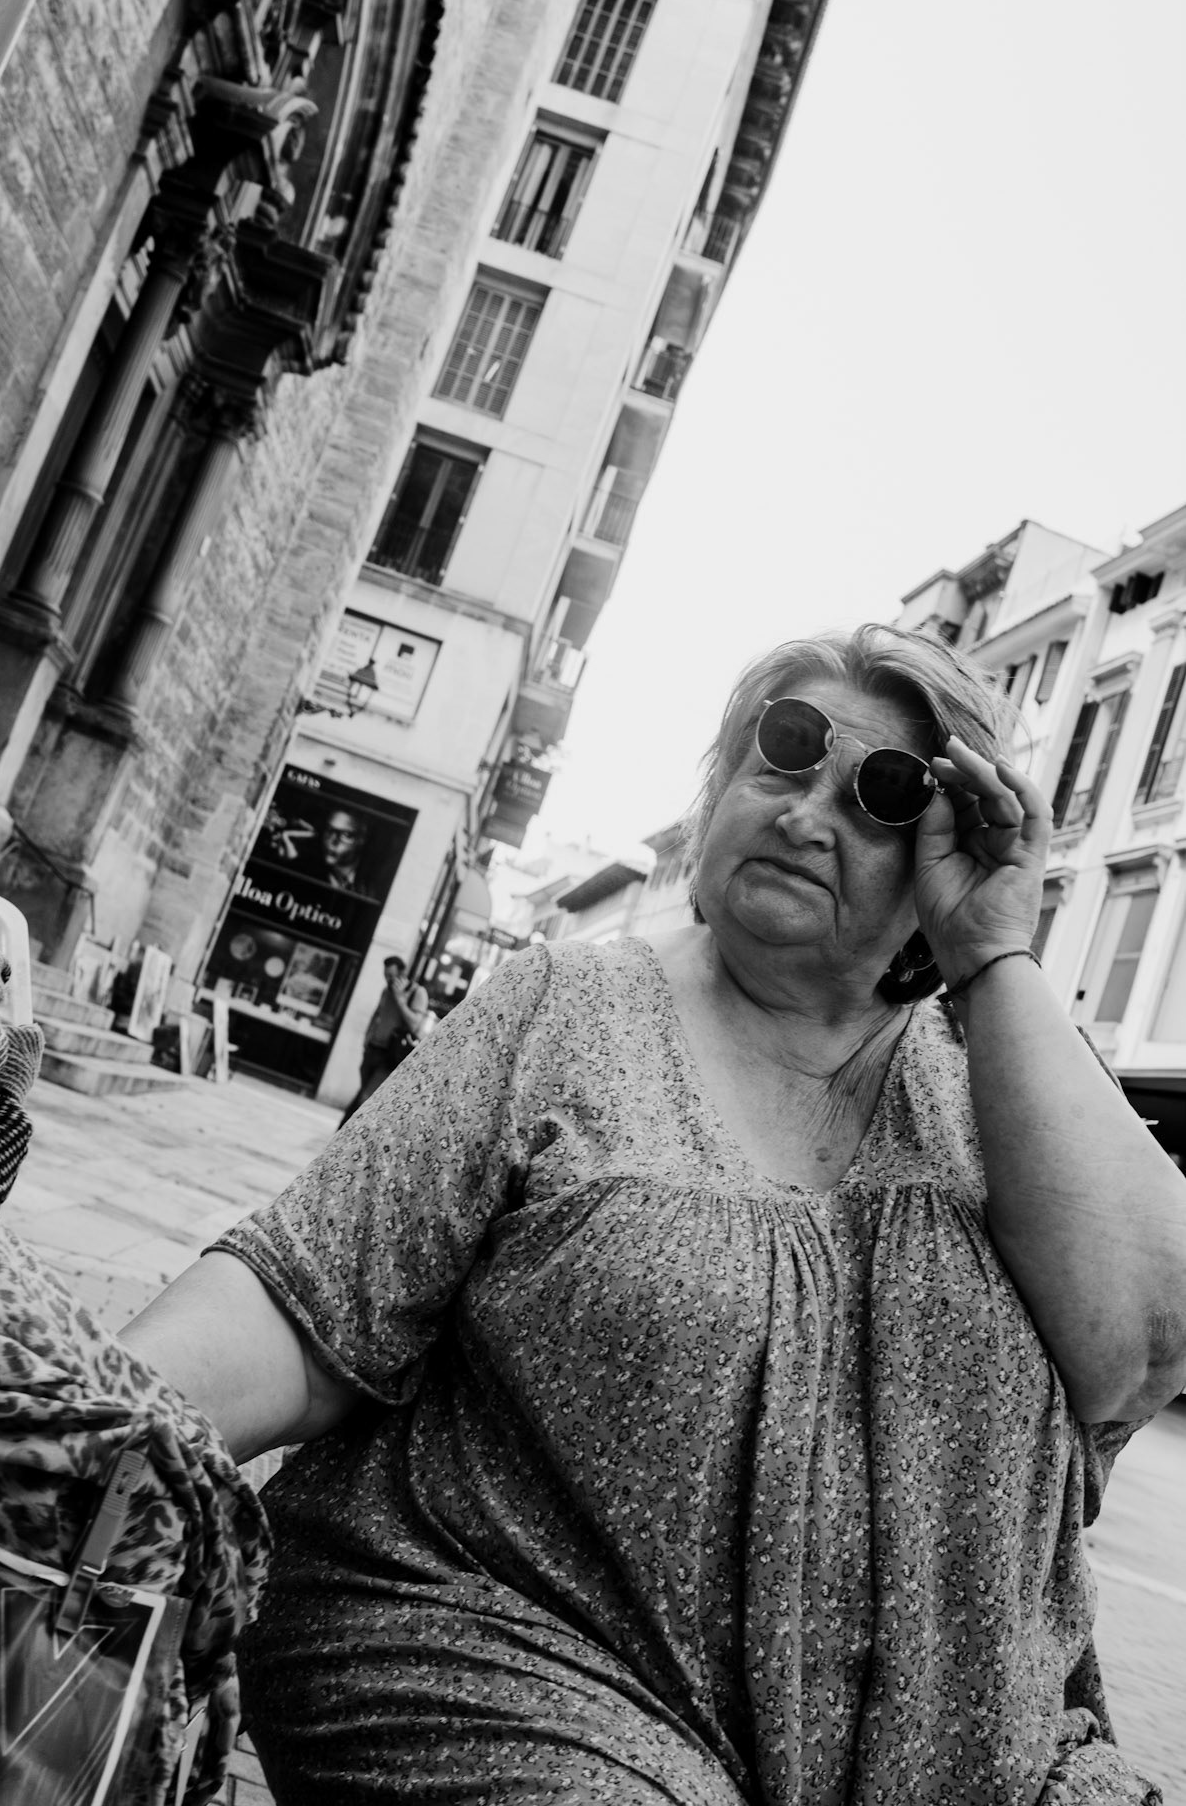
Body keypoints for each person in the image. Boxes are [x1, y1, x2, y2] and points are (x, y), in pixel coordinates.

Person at [121, 624, 1186, 1804]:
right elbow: (310, 1297)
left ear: (949, 850)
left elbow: (1141, 1352)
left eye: (884, 795)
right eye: (785, 752)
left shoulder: (1009, 1081)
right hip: (508, 1663)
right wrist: (85, 1415)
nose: (806, 810)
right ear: (721, 781)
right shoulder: (568, 1004)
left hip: (964, 1753)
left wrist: (993, 951)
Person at [337, 955, 430, 1123]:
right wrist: (367, 1037)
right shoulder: (386, 991)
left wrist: (401, 999)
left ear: (403, 973)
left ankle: (346, 1132)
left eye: (391, 975)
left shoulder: (417, 993)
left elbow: (415, 1024)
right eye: (385, 975)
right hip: (373, 1049)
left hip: (390, 1055)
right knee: (365, 1094)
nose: (387, 979)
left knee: (366, 1098)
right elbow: (377, 1014)